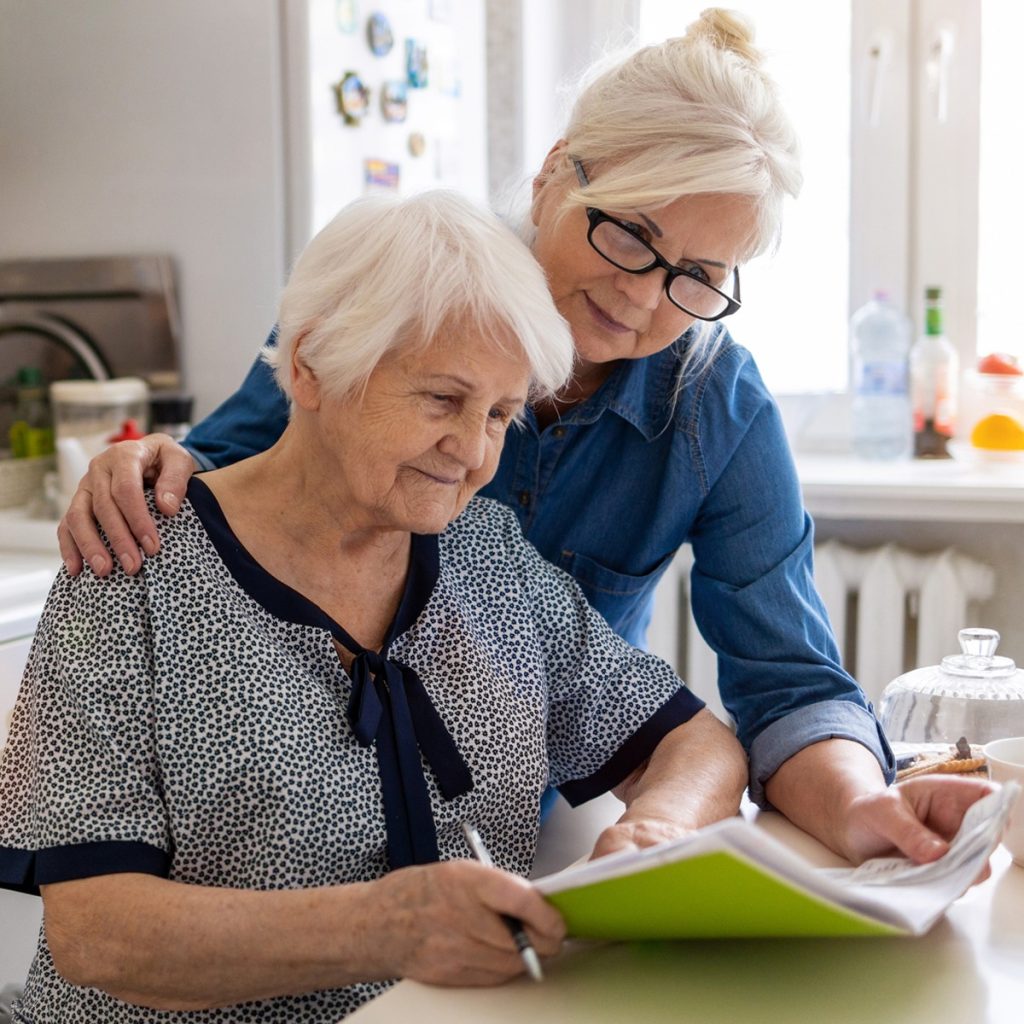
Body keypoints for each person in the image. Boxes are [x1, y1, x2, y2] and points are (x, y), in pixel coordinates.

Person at [59, 10, 991, 870]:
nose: (642, 295)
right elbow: (222, 482)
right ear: (554, 175)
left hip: (520, 820)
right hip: (297, 820)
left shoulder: (716, 406)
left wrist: (864, 805)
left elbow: (788, 684)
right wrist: (146, 464)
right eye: (631, 234)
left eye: (698, 274)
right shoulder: (402, 295)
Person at [0, 190, 748, 1023]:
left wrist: (658, 832)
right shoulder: (133, 561)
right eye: (442, 399)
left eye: (500, 414)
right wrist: (385, 928)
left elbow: (696, 743)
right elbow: (97, 932)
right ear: (313, 365)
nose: (472, 453)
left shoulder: (488, 553)